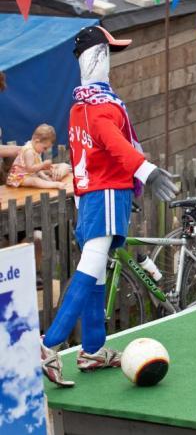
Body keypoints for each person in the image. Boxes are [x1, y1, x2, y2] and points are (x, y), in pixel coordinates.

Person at [40, 25, 179, 388]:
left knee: (97, 272)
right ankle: (50, 344)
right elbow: (113, 143)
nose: (109, 63)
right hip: (103, 193)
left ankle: (92, 349)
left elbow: (94, 151)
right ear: (95, 57)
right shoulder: (100, 106)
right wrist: (146, 172)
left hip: (92, 194)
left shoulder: (79, 107)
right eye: (107, 53)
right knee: (90, 269)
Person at [5, 124, 72, 190]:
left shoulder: (35, 148)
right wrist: (43, 164)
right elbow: (30, 169)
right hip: (18, 177)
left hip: (28, 174)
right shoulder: (29, 152)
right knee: (35, 181)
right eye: (44, 148)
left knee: (39, 176)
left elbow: (36, 170)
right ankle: (55, 185)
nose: (44, 151)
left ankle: (49, 181)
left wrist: (44, 176)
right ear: (37, 141)